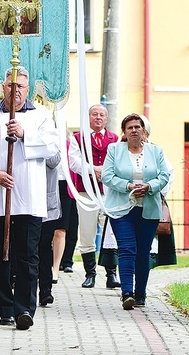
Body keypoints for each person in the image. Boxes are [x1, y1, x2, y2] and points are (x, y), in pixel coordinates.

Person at [0, 66, 59, 330]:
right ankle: (5, 308)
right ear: (3, 87)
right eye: (10, 86)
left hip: (29, 198)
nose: (15, 90)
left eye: (20, 86)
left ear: (27, 89)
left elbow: (52, 148)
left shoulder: (40, 116)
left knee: (28, 256)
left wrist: (24, 135)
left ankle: (24, 310)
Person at [102, 113, 169, 310]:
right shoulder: (114, 149)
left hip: (148, 209)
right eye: (130, 127)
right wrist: (128, 186)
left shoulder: (156, 151)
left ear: (144, 131)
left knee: (143, 252)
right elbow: (107, 176)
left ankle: (141, 293)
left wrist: (149, 186)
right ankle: (127, 293)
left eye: (137, 127)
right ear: (124, 131)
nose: (134, 130)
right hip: (122, 209)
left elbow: (164, 176)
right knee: (127, 249)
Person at [68, 104, 120, 288]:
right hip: (86, 191)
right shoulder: (78, 138)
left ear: (106, 118)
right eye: (94, 114)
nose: (98, 118)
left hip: (109, 192)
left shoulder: (115, 138)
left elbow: (119, 161)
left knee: (110, 231)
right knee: (87, 231)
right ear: (89, 117)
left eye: (102, 115)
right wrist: (93, 169)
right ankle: (90, 274)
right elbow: (74, 162)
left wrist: (104, 172)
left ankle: (111, 274)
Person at [139, 115, 177, 270]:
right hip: (128, 200)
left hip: (151, 198)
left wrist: (156, 192)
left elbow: (168, 173)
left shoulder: (156, 151)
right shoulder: (121, 149)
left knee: (149, 240)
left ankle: (143, 280)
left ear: (146, 133)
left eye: (140, 129)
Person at [52, 140, 79, 282]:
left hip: (66, 187)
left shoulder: (70, 143)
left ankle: (60, 265)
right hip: (48, 185)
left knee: (63, 229)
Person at [38, 151, 61, 306]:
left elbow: (53, 160)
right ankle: (25, 286)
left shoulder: (51, 140)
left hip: (47, 204)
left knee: (45, 245)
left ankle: (46, 289)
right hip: (25, 203)